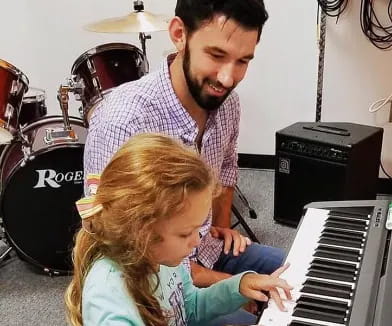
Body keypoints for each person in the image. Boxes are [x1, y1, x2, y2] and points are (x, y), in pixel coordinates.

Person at [83, 0, 285, 289]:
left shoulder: (229, 105)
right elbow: (111, 243)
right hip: (155, 282)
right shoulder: (123, 121)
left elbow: (225, 174)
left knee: (299, 271)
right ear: (179, 34)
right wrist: (226, 285)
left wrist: (221, 228)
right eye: (216, 55)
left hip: (207, 250)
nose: (228, 78)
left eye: (243, 61)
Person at [65, 133, 292, 326]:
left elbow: (188, 308)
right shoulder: (109, 301)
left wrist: (238, 286)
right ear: (141, 232)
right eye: (185, 233)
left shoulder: (164, 259)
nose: (196, 241)